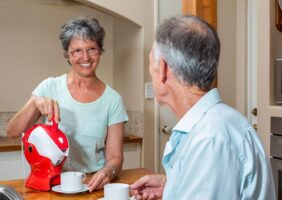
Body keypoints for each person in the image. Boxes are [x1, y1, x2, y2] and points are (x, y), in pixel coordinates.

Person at [130, 15, 276, 200]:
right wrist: (171, 186)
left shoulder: (210, 139)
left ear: (164, 69)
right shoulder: (215, 125)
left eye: (150, 63)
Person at [6, 17, 128, 192]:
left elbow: (115, 157)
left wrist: (109, 171)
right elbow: (13, 132)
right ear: (67, 55)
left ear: (100, 51)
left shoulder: (113, 100)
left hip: (91, 185)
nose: (85, 57)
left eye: (92, 49)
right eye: (77, 50)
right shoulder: (50, 86)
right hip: (50, 184)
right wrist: (35, 102)